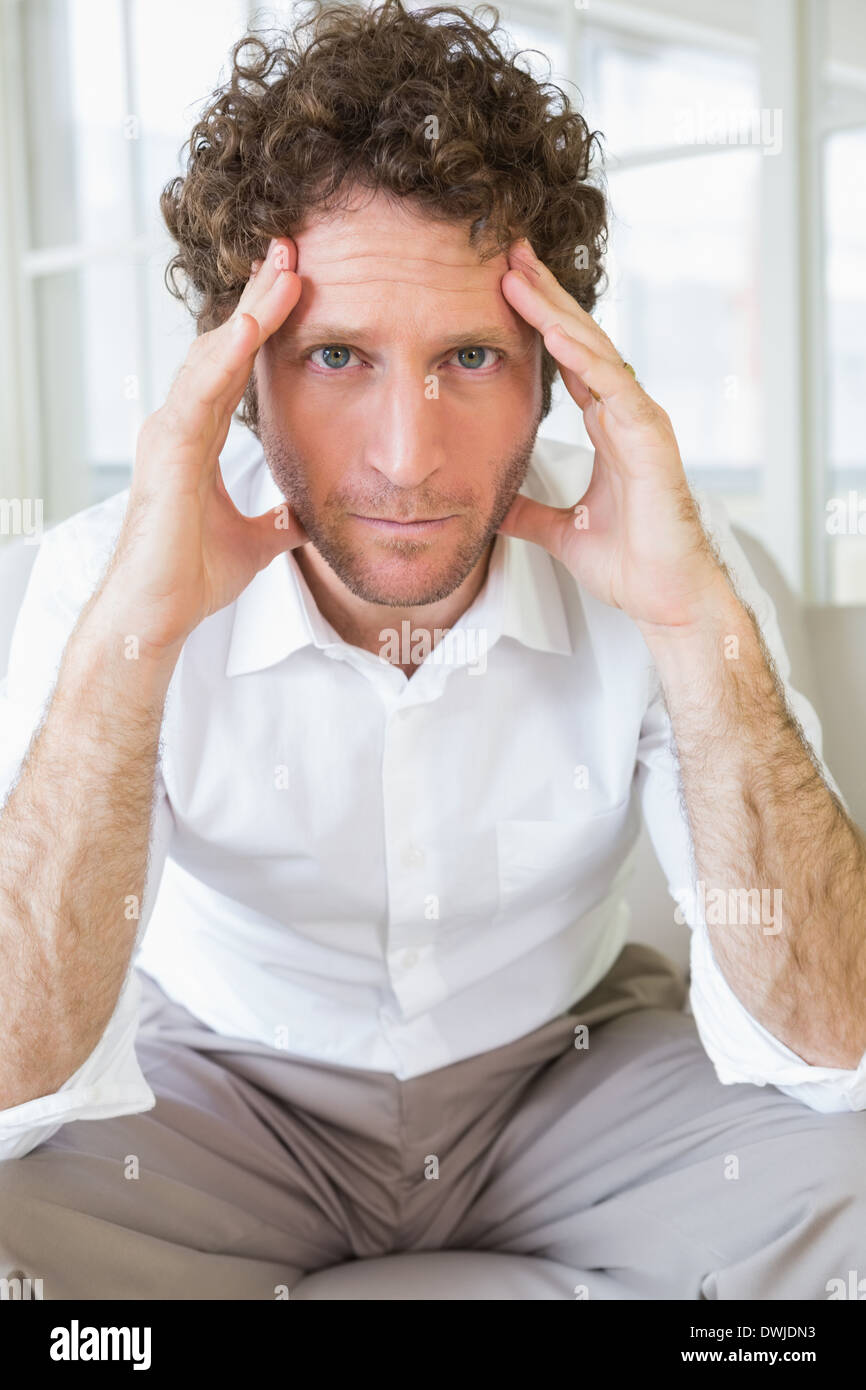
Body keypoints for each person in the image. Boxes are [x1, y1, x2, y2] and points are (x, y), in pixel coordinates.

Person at [0, 0, 864, 1301]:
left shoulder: (666, 557)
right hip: (218, 1096)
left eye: (469, 356)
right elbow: (14, 1068)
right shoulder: (96, 575)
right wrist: (134, 639)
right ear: (245, 376)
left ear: (551, 373)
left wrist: (697, 625)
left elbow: (836, 1037)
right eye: (335, 356)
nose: (406, 458)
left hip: (561, 1077)